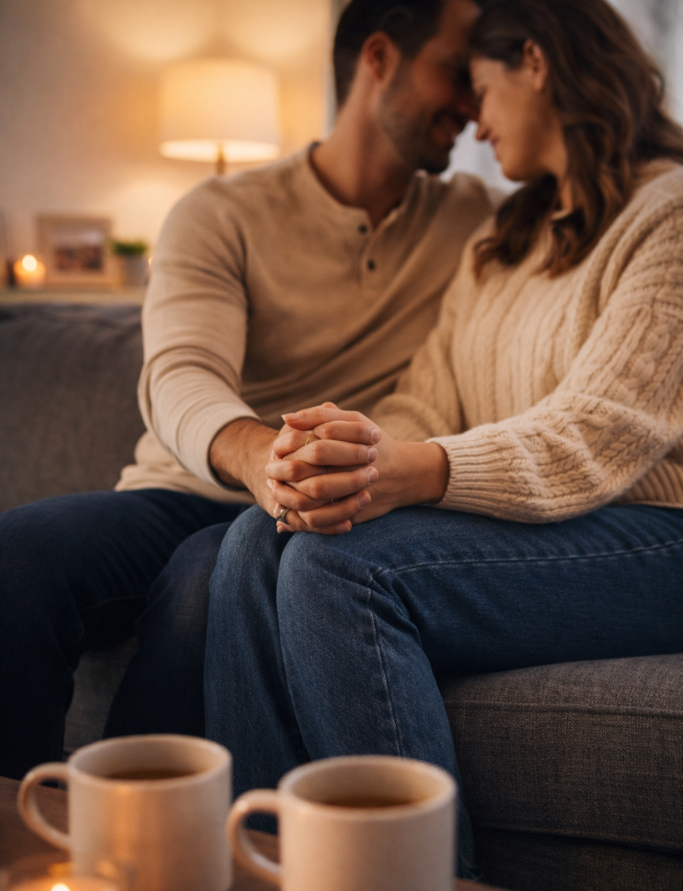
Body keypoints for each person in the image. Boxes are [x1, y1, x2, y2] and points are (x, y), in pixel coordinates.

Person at [203, 0, 683, 878]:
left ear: (534, 62)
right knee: (258, 537)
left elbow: (599, 433)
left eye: (482, 87)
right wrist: (344, 459)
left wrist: (415, 472)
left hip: (657, 536)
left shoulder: (669, 214)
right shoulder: (500, 241)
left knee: (343, 566)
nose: (472, 117)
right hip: (547, 527)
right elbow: (427, 399)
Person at [0, 0, 496, 780]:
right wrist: (259, 455)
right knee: (18, 555)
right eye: (456, 70)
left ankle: (129, 846)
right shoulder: (219, 211)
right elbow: (179, 373)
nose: (474, 103)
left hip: (320, 518)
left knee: (211, 582)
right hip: (191, 486)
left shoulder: (480, 222)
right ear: (378, 59)